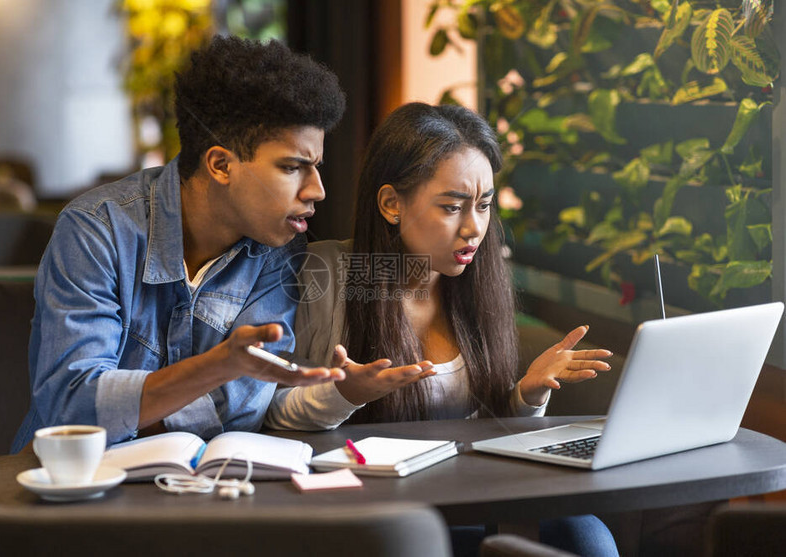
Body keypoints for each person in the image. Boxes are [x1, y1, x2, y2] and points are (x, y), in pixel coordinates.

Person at [265, 102, 618, 556]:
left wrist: (526, 396)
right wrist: (345, 393)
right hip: (369, 510)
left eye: (485, 205)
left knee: (585, 535)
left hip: (467, 497)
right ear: (391, 203)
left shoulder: (476, 285)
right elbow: (270, 416)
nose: (474, 228)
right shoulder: (326, 274)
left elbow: (482, 433)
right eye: (452, 207)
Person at [11, 36, 347, 453]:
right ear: (221, 165)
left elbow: (241, 409)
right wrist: (217, 366)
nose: (318, 190)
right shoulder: (95, 230)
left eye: (316, 168)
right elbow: (72, 406)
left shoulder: (277, 249)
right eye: (293, 167)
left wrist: (128, 409)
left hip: (200, 491)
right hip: (71, 489)